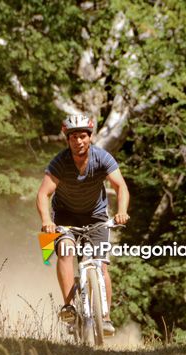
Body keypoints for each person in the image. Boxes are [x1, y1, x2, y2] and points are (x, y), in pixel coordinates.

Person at [36, 114, 130, 333]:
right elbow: (43, 194)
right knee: (65, 253)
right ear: (67, 140)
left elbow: (121, 187)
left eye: (82, 136)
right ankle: (69, 308)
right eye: (74, 137)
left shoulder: (102, 158)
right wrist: (46, 221)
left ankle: (105, 316)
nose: (78, 141)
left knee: (101, 265)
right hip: (65, 217)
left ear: (90, 137)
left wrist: (122, 211)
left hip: (96, 217)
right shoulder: (60, 163)